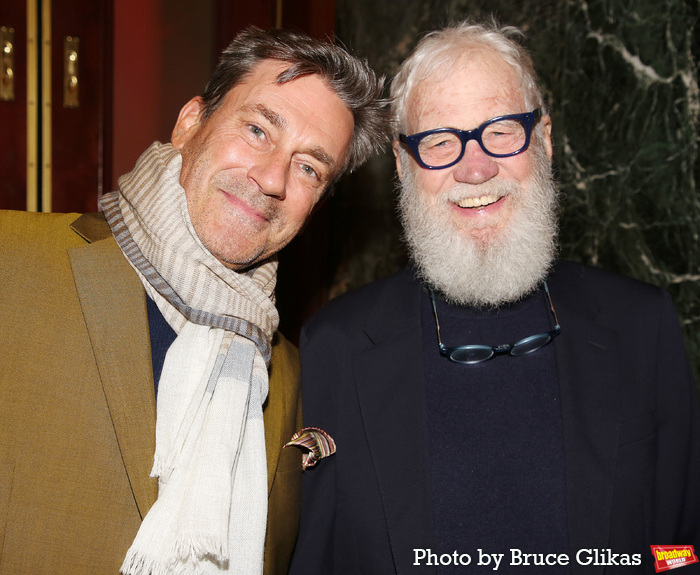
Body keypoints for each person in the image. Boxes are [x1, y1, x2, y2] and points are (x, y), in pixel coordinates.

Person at [289, 20, 700, 574]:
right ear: (404, 163)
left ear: (545, 140)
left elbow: (681, 549)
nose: (475, 166)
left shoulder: (640, 327)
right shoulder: (333, 349)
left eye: (501, 130)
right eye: (439, 141)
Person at [0, 26, 387, 575]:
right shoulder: (11, 263)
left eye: (309, 168)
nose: (272, 178)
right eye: (257, 129)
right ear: (190, 123)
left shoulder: (291, 376)